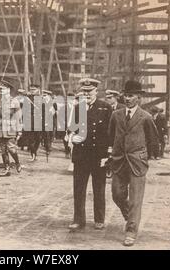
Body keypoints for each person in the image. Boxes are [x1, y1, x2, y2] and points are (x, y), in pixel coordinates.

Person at [106, 80, 160, 246]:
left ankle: (131, 231)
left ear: (138, 97)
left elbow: (153, 140)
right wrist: (110, 154)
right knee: (117, 194)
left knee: (136, 199)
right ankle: (130, 217)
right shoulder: (116, 115)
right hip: (119, 161)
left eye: (131, 96)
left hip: (137, 162)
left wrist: (146, 157)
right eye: (126, 95)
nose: (127, 98)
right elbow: (110, 136)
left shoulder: (146, 117)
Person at [68, 78, 112, 231]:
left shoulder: (105, 108)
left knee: (99, 188)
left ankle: (99, 219)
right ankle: (78, 220)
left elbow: (110, 133)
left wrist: (108, 154)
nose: (87, 94)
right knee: (79, 189)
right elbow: (71, 129)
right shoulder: (78, 108)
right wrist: (72, 138)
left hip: (98, 155)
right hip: (81, 155)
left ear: (96, 91)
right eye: (84, 91)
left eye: (90, 91)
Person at [0, 79, 22, 177]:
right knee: (3, 149)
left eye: (3, 89)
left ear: (8, 90)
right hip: (1, 129)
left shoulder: (14, 101)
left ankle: (17, 162)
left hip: (10, 128)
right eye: (0, 89)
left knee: (11, 149)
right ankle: (6, 168)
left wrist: (19, 131)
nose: (1, 91)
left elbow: (18, 117)